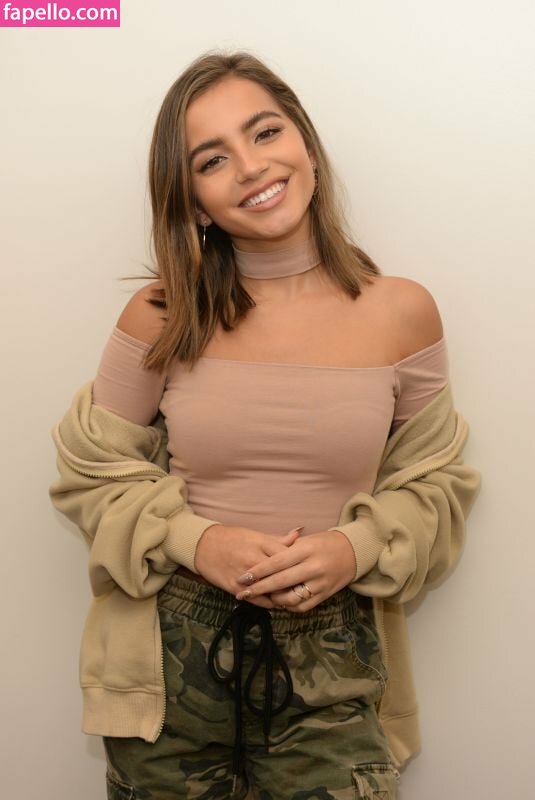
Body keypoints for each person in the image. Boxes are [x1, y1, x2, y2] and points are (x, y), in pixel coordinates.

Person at [49, 50, 481, 800]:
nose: (251, 167)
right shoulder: (161, 315)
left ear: (306, 144)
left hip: (335, 646)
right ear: (192, 200)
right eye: (212, 159)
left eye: (266, 132)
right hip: (169, 652)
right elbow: (89, 475)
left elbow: (435, 486)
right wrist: (198, 541)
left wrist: (352, 549)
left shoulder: (403, 312)